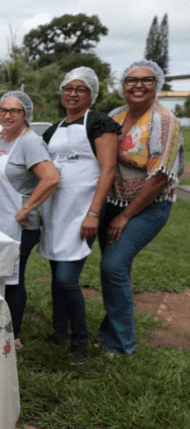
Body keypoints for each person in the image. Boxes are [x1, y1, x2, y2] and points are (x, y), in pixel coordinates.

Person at [97, 60, 185, 356]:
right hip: (113, 201)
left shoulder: (163, 121)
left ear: (156, 84)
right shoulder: (115, 116)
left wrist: (124, 215)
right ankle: (109, 331)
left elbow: (160, 176)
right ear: (122, 86)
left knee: (113, 265)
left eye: (146, 80)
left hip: (148, 207)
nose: (138, 85)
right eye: (131, 80)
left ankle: (122, 346)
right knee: (113, 268)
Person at [38, 67, 120, 364]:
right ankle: (60, 330)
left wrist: (94, 213)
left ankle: (80, 341)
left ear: (91, 94)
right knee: (54, 275)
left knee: (66, 279)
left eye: (81, 89)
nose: (73, 93)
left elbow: (108, 170)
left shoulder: (100, 123)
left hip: (81, 213)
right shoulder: (53, 128)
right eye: (68, 88)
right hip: (55, 211)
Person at [0, 91, 60, 349]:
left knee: (13, 279)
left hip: (19, 226)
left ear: (26, 115)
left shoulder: (29, 142)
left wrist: (26, 208)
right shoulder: (4, 138)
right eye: (3, 110)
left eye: (14, 111)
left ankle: (13, 335)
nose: (6, 115)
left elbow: (51, 178)